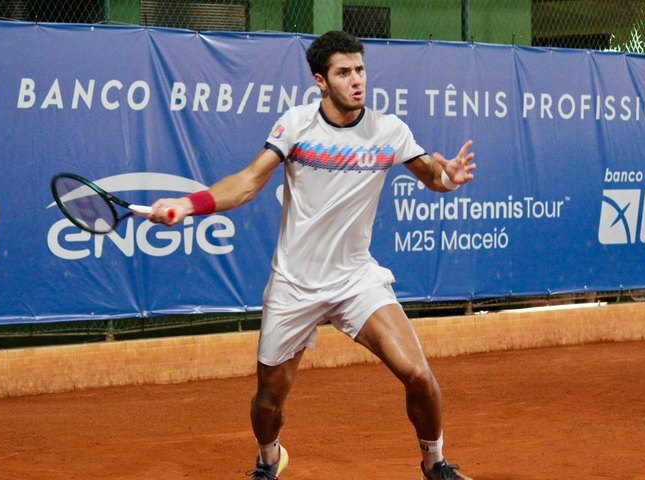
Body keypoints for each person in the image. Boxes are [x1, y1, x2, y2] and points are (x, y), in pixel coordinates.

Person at [150, 30, 476, 480]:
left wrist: (449, 177)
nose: (357, 80)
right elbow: (248, 181)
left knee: (418, 374)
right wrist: (188, 205)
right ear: (320, 81)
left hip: (356, 280)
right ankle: (269, 458)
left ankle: (434, 462)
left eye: (360, 69)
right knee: (269, 401)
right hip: (294, 284)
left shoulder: (389, 130)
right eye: (344, 72)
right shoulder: (297, 126)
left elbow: (431, 176)